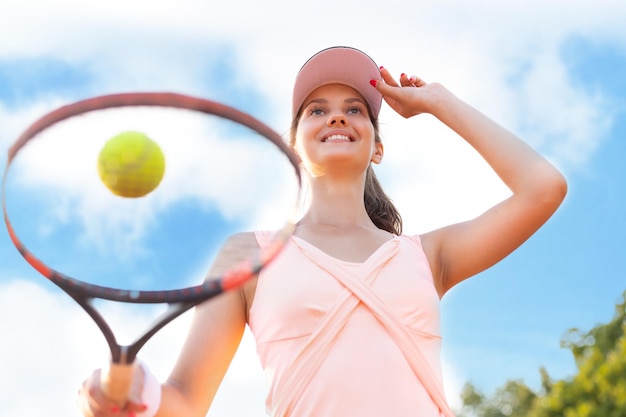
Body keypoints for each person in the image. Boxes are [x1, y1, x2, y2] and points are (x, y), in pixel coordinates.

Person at [77, 46, 567, 417]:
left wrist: (440, 102)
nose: (337, 115)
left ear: (377, 146)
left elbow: (543, 188)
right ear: (294, 145)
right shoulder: (250, 254)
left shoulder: (428, 255)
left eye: (356, 108)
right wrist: (126, 391)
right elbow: (185, 401)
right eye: (317, 109)